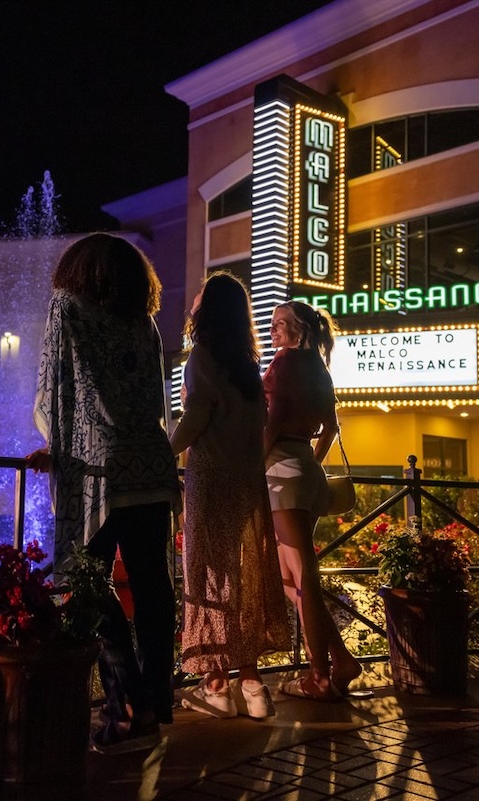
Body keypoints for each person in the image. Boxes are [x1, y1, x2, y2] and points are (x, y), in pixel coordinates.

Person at [26, 233, 182, 753]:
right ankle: (156, 702)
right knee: (153, 588)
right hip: (153, 464)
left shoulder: (68, 307)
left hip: (100, 469)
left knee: (83, 582)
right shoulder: (145, 320)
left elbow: (59, 385)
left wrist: (57, 444)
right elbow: (151, 396)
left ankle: (127, 706)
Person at [169, 273, 291, 719]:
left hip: (211, 478)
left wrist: (163, 451)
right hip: (246, 481)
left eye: (200, 297)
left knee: (207, 575)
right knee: (244, 573)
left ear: (209, 309)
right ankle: (253, 683)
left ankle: (217, 684)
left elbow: (196, 419)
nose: (193, 302)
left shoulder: (201, 358)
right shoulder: (246, 362)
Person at [263, 300, 363, 700]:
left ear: (299, 329)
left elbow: (270, 423)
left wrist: (257, 466)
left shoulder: (285, 363)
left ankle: (319, 677)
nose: (273, 332)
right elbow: (331, 427)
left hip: (282, 475)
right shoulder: (319, 368)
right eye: (271, 325)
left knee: (301, 576)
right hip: (305, 469)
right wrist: (309, 465)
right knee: (290, 578)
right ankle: (340, 659)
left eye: (280, 324)